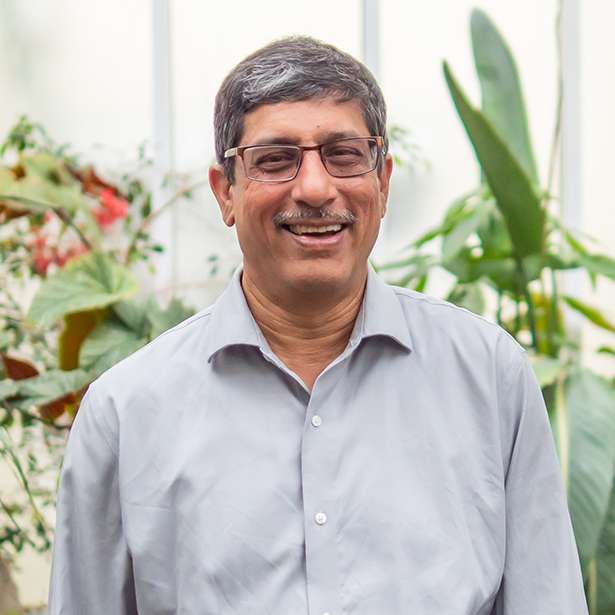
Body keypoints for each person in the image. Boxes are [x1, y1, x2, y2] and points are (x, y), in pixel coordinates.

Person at [48, 36, 588, 614]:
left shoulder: (489, 378)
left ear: (382, 181)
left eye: (344, 154)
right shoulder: (125, 414)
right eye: (276, 159)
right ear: (224, 192)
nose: (313, 188)